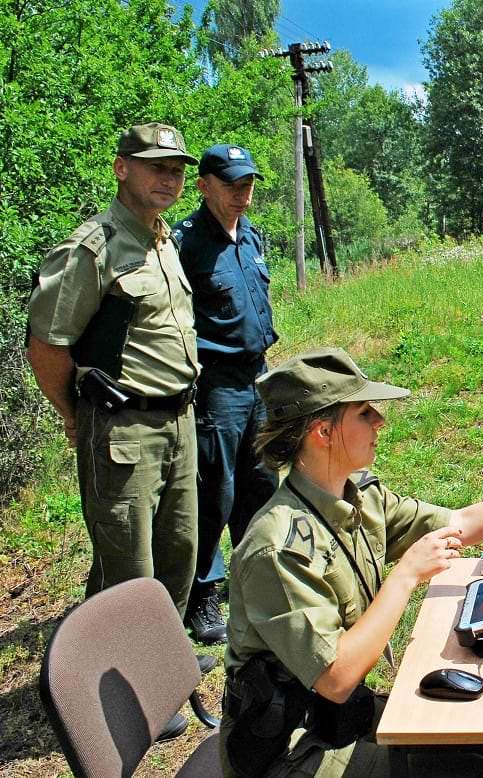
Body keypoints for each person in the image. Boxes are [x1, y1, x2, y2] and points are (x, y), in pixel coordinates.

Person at [221, 347, 483, 777]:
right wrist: (404, 576)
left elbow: (459, 523)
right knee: (472, 773)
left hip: (333, 716)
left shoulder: (357, 497)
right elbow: (336, 676)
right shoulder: (279, 548)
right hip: (289, 748)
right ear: (323, 432)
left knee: (474, 759)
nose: (379, 422)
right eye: (364, 412)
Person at [26, 123, 204, 739]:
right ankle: (120, 692)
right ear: (121, 168)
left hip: (178, 424)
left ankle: (162, 666)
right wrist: (75, 417)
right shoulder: (93, 249)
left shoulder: (163, 241)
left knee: (179, 559)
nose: (169, 177)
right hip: (123, 432)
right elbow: (47, 346)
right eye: (154, 165)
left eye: (177, 167)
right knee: (129, 570)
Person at [173, 144, 279, 645]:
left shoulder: (251, 236)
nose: (243, 194)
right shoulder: (185, 245)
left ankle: (255, 575)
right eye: (232, 185)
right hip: (215, 383)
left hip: (258, 376)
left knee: (261, 482)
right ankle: (203, 592)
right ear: (204, 186)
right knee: (215, 490)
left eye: (248, 184)